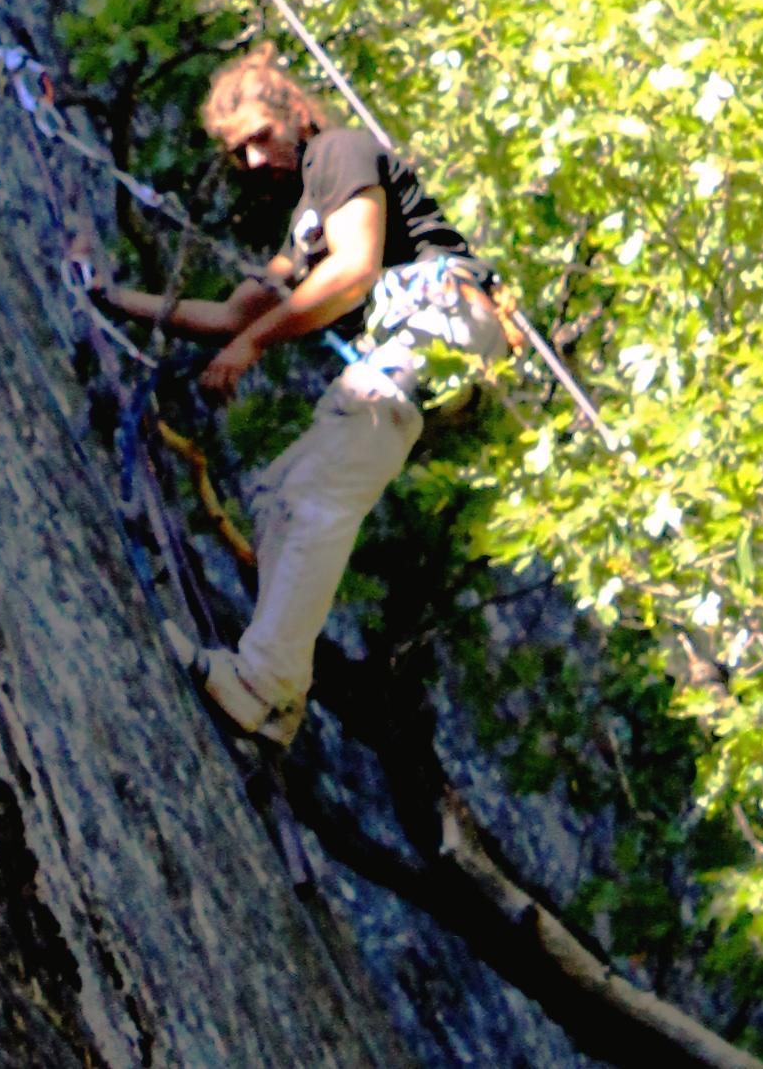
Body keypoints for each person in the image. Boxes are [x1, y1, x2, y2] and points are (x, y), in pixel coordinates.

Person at [93, 43, 513, 746]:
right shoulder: (307, 219)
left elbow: (351, 273)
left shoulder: (339, 153)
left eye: (259, 136)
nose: (254, 160)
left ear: (294, 109)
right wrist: (112, 296)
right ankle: (279, 692)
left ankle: (261, 683)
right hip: (415, 343)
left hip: (438, 322)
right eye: (239, 152)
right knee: (277, 492)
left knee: (316, 495)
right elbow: (235, 313)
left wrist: (250, 346)